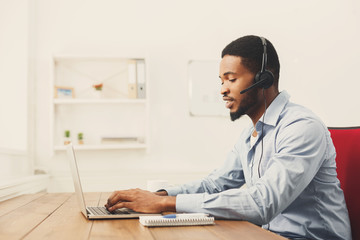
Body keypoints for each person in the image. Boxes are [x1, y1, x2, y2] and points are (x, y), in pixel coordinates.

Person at [106, 35, 351, 240]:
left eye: (232, 79)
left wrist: (165, 205)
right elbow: (215, 184)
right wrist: (160, 195)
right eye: (221, 81)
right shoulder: (251, 135)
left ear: (264, 79)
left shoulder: (301, 127)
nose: (223, 89)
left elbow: (262, 204)